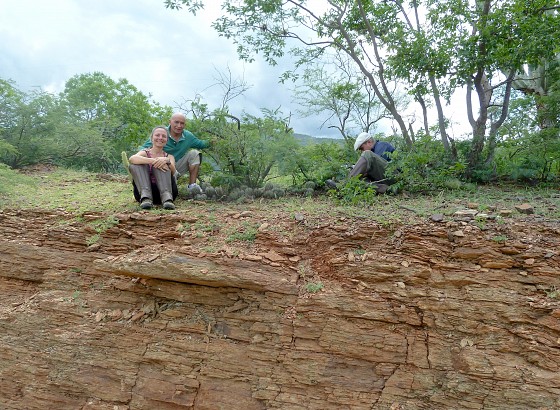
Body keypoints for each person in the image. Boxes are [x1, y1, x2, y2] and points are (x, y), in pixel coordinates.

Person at [140, 112, 210, 192]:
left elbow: (202, 144)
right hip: (160, 167)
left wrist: (215, 140)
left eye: (182, 123)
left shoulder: (188, 136)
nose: (179, 126)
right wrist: (154, 160)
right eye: (176, 122)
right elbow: (142, 149)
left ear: (185, 125)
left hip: (176, 167)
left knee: (194, 153)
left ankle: (192, 186)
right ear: (170, 122)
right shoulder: (161, 134)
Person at [326, 132, 396, 193]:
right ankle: (386, 189)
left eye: (362, 148)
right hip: (387, 180)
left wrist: (358, 171)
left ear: (369, 142)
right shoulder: (374, 152)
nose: (362, 151)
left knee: (367, 154)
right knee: (361, 179)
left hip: (395, 176)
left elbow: (375, 168)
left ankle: (344, 186)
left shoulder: (382, 145)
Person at [129, 126, 178, 210]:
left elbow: (174, 172)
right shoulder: (144, 152)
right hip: (143, 194)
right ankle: (146, 198)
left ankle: (167, 199)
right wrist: (153, 161)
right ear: (151, 138)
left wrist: (167, 161)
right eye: (157, 135)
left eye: (163, 136)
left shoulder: (169, 156)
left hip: (168, 193)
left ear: (167, 140)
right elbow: (132, 159)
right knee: (136, 165)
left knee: (162, 163)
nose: (160, 138)